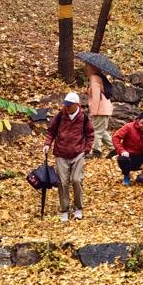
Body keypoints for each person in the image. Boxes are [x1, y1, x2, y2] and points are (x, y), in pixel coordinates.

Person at [43, 91, 94, 221]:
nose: (67, 107)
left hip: (78, 154)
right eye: (65, 104)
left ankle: (78, 209)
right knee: (62, 182)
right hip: (61, 153)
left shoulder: (84, 118)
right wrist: (47, 144)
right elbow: (51, 131)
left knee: (77, 180)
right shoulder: (60, 116)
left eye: (69, 105)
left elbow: (90, 135)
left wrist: (85, 150)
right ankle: (64, 210)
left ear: (77, 105)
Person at [112, 114, 143, 186]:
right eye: (142, 123)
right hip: (128, 155)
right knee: (122, 158)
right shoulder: (129, 127)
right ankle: (126, 176)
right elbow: (116, 137)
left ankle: (142, 176)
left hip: (141, 156)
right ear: (137, 120)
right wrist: (122, 150)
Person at [85, 62, 113, 157]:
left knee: (95, 130)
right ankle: (113, 149)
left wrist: (93, 111)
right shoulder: (99, 77)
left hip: (100, 109)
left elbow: (96, 96)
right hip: (104, 108)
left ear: (92, 68)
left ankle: (96, 151)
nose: (86, 68)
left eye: (88, 66)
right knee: (102, 130)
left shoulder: (94, 78)